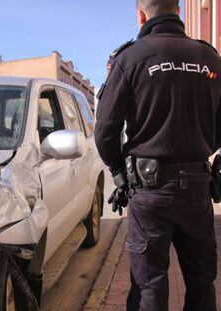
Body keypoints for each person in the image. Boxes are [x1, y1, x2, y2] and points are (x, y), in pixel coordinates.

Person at [94, 0, 221, 310]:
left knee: (150, 284)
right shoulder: (210, 58)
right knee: (202, 280)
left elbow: (105, 132)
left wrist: (119, 174)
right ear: (178, 11)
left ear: (141, 15)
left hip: (148, 192)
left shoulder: (130, 58)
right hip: (196, 187)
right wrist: (205, 149)